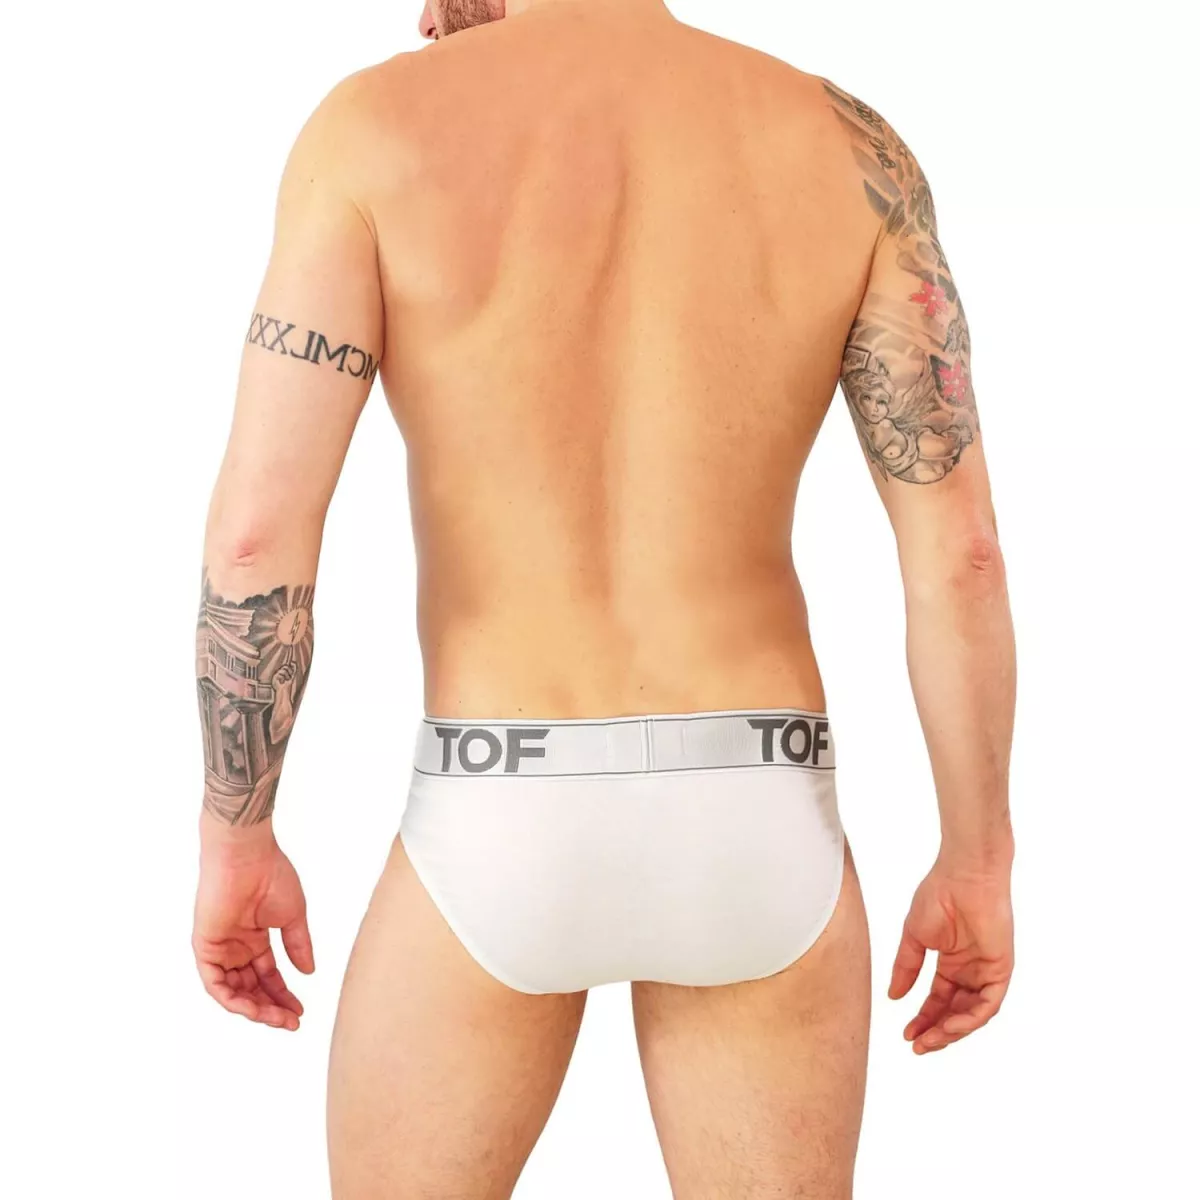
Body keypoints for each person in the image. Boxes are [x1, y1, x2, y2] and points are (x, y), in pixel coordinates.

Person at [191, 1, 1016, 1195]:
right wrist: (978, 859)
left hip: (500, 794)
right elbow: (962, 554)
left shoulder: (371, 129)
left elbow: (257, 538)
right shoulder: (847, 144)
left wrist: (236, 835)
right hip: (758, 801)